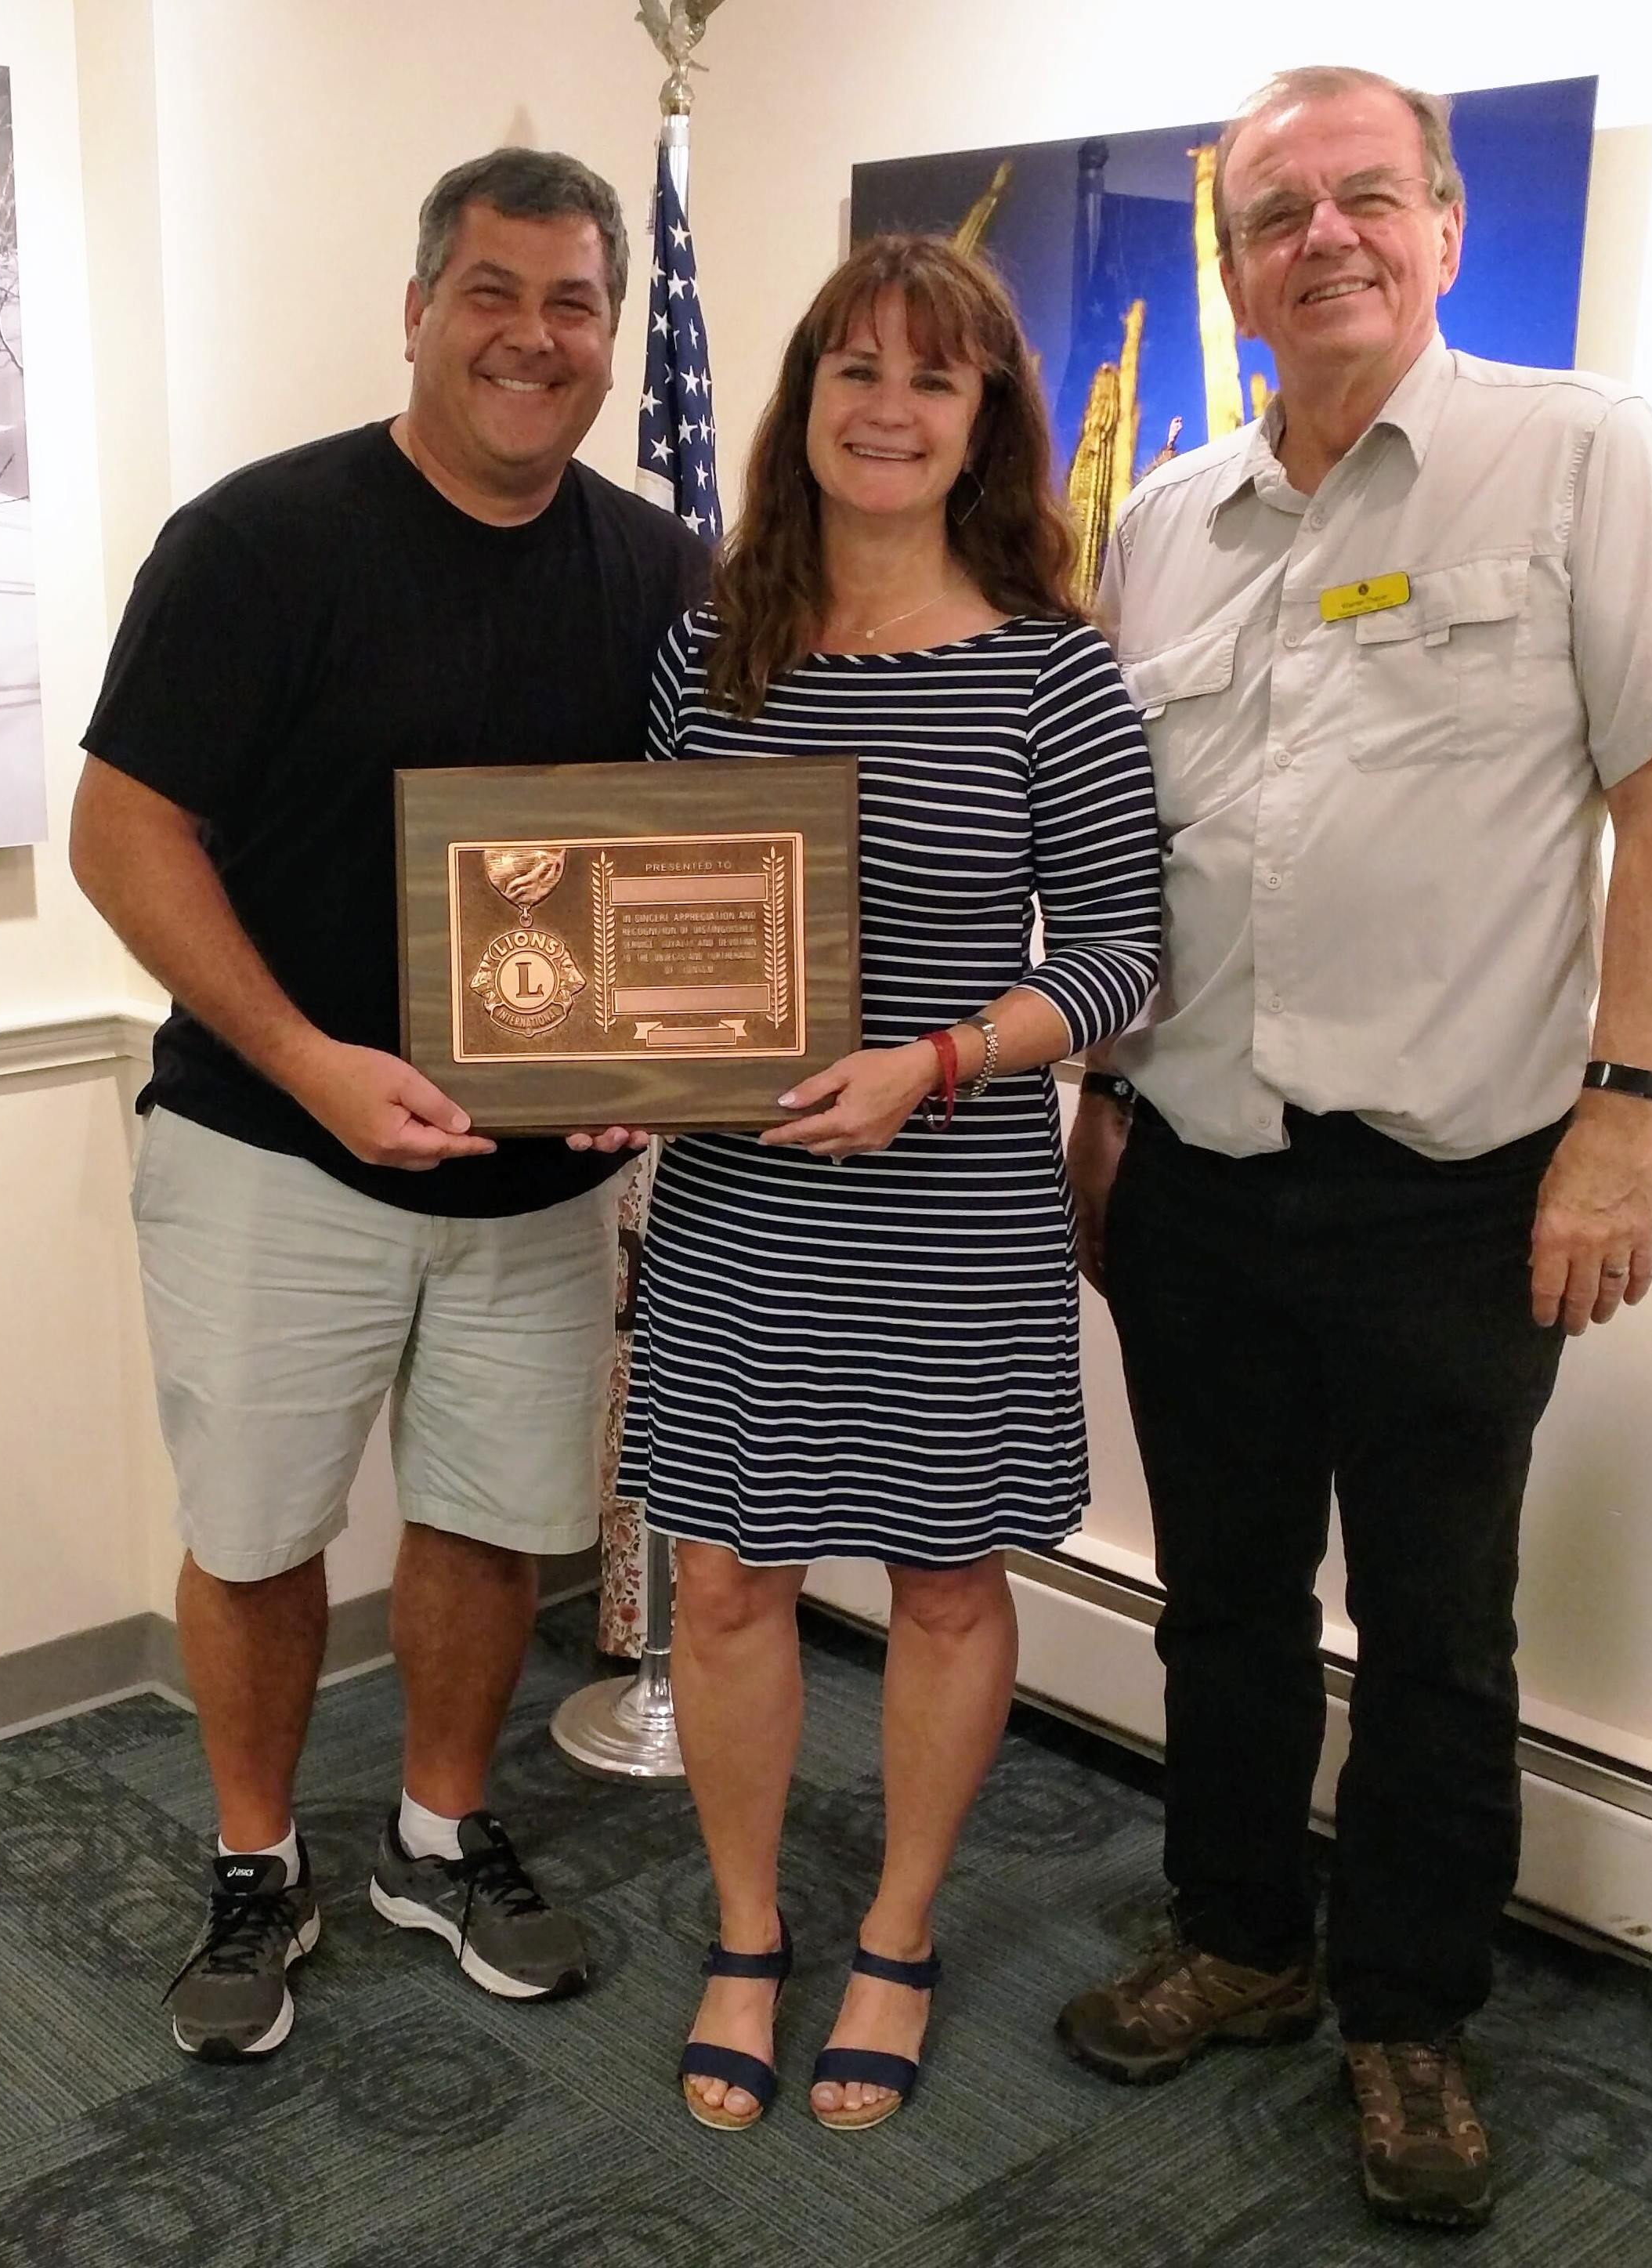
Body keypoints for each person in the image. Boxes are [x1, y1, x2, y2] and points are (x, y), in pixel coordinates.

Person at [1053, 67, 1652, 2230]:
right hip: (1192, 1172)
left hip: (1457, 1184)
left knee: (1435, 1633)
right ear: (1233, 261)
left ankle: (1405, 2018)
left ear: (1437, 226)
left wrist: (1620, 1119)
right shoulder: (1162, 519)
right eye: (1276, 211)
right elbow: (1132, 858)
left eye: (1364, 197)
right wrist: (1093, 1108)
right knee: (1220, 1607)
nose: (1320, 236)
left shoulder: (1574, 449)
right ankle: (1242, 1938)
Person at [70, 147, 705, 2062]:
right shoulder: (257, 542)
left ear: (611, 338)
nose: (535, 335)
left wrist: (645, 1063)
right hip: (273, 1149)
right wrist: (308, 1060)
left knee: (491, 1519)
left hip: (528, 1183)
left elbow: (676, 868)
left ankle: (439, 1824)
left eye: (575, 302)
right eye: (494, 293)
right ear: (416, 311)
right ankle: (257, 1854)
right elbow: (125, 832)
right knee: (259, 1530)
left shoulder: (663, 567)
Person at [616, 234, 1161, 2134]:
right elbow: (651, 913)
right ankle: (751, 1929)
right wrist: (613, 1070)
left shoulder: (1051, 669)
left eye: (930, 376)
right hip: (742, 1201)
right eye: (851, 367)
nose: (886, 404)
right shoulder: (712, 650)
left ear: (985, 417)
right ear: (803, 403)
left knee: (942, 1583)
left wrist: (936, 1061)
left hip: (947, 1201)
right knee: (727, 1576)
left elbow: (1115, 952)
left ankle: (902, 1931)